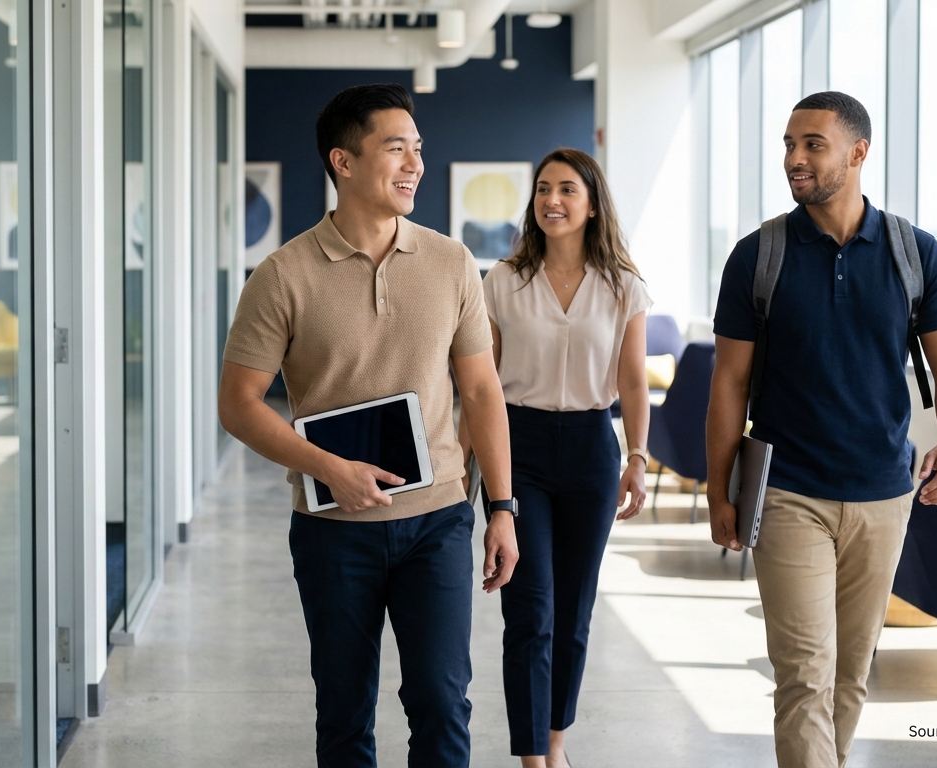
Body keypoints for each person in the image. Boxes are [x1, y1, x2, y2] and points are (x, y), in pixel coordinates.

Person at [218, 82, 519, 768]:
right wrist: (328, 468)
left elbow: (480, 389)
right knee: (345, 714)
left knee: (444, 706)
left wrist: (501, 507)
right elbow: (237, 402)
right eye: (396, 148)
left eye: (418, 148)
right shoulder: (282, 276)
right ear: (344, 162)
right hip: (333, 533)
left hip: (437, 521)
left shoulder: (451, 263)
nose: (414, 163)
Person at [706, 91, 937, 767]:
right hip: (789, 491)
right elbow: (728, 383)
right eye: (789, 145)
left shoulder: (917, 254)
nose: (794, 159)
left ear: (858, 153)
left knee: (849, 676)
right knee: (804, 677)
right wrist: (719, 490)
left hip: (885, 492)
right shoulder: (756, 256)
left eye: (812, 145)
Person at [459, 148, 650, 768]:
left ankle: (557, 738)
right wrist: (464, 464)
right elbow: (479, 385)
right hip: (520, 449)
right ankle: (532, 755)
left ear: (593, 204)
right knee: (530, 607)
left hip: (594, 449)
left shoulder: (624, 285)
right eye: (543, 189)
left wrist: (639, 457)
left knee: (573, 610)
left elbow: (633, 383)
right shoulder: (503, 280)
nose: (552, 201)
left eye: (568, 189)